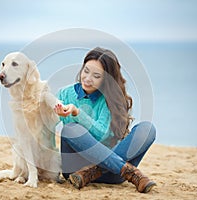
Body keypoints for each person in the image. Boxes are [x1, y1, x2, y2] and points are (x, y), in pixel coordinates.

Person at [54, 47, 156, 193]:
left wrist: (78, 112)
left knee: (147, 129)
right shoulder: (64, 93)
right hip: (75, 170)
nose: (88, 78)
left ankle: (93, 172)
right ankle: (129, 172)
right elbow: (47, 125)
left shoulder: (109, 99)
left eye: (96, 76)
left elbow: (103, 136)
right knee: (70, 129)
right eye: (86, 71)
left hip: (112, 174)